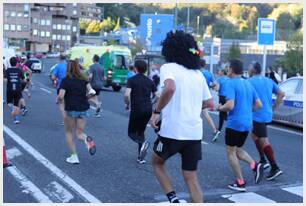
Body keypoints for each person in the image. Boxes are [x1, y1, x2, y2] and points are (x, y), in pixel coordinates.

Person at [150, 31, 213, 203]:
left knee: (156, 162)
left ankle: (173, 199)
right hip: (194, 133)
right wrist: (192, 107)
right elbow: (210, 103)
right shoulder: (197, 74)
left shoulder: (168, 68)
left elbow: (169, 88)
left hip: (172, 131)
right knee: (191, 177)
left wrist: (157, 111)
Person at [217, 59, 263, 192]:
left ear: (231, 69)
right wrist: (247, 111)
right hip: (247, 122)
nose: (227, 69)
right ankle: (254, 165)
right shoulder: (248, 83)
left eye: (227, 67)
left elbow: (230, 105)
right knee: (237, 149)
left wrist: (219, 108)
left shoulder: (231, 84)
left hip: (235, 122)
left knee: (230, 152)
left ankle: (240, 182)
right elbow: (259, 104)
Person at [249, 62, 285, 180]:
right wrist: (274, 107)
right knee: (254, 135)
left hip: (258, 114)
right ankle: (263, 160)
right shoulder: (268, 81)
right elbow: (281, 93)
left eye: (249, 67)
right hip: (267, 114)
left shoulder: (250, 82)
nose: (248, 69)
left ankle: (275, 167)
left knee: (264, 140)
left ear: (253, 70)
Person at [56, 60, 97, 164]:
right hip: (83, 108)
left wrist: (58, 100)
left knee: (68, 132)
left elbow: (61, 96)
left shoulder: (66, 80)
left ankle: (74, 157)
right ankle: (86, 139)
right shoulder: (84, 79)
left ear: (68, 68)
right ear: (78, 68)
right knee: (79, 133)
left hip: (70, 109)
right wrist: (85, 97)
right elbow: (92, 92)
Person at [124, 60, 156, 164]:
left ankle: (143, 143)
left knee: (131, 133)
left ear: (135, 68)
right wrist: (152, 102)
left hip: (137, 108)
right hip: (148, 109)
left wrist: (127, 104)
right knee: (141, 131)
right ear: (146, 69)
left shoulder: (131, 80)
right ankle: (140, 157)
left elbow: (126, 95)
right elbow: (158, 95)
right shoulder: (150, 81)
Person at [199, 59, 220, 141]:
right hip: (206, 95)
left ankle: (197, 133)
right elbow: (215, 84)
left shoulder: (198, 72)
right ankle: (215, 130)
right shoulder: (209, 73)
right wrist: (209, 86)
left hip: (198, 96)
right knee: (205, 113)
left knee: (197, 114)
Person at [5, 57, 25, 124]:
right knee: (16, 104)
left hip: (9, 89)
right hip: (17, 89)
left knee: (9, 103)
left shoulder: (7, 70)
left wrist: (10, 80)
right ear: (16, 63)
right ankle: (16, 119)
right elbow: (23, 80)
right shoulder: (19, 70)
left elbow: (5, 79)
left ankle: (14, 112)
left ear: (10, 63)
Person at [212, 68, 229, 142]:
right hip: (228, 97)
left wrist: (212, 86)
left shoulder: (219, 79)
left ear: (222, 72)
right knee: (224, 114)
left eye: (219, 71)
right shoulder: (228, 79)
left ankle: (219, 130)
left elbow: (216, 88)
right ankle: (219, 129)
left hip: (222, 97)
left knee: (222, 115)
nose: (218, 72)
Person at [51, 54, 68, 123]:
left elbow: (53, 77)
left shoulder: (57, 66)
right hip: (71, 86)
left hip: (61, 86)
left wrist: (56, 80)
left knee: (62, 105)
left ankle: (65, 120)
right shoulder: (69, 65)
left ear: (59, 58)